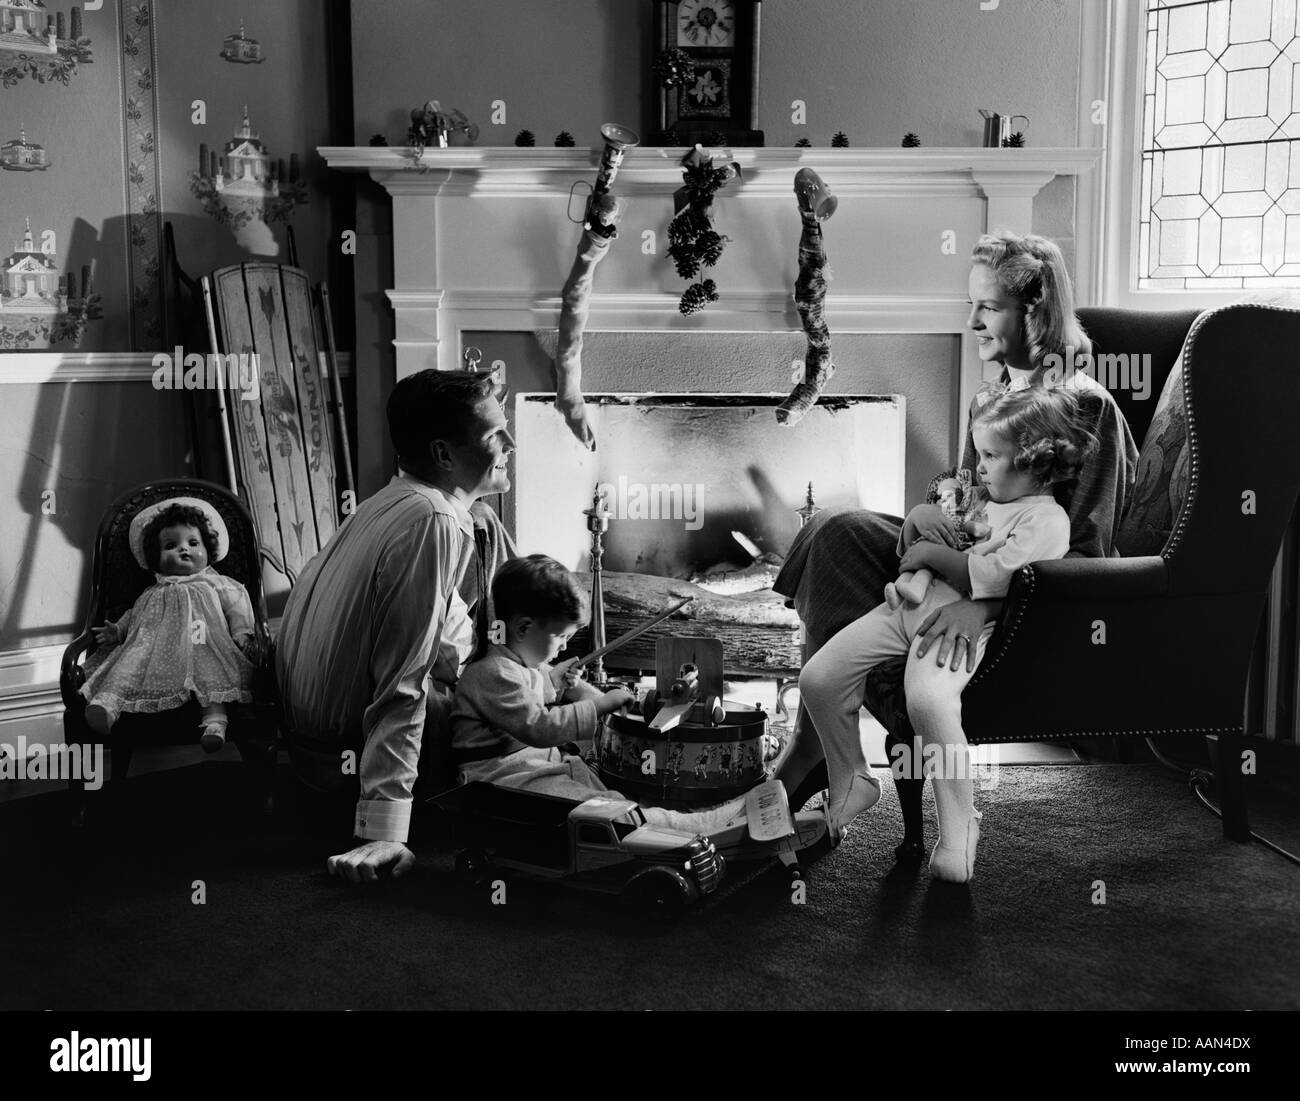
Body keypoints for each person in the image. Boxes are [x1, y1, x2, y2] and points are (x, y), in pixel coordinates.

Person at [773, 231, 1140, 811]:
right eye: (971, 303)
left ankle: (812, 754)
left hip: (1026, 598)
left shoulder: (1089, 407)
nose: (972, 321)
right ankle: (812, 743)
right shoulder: (990, 397)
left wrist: (982, 603)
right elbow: (969, 512)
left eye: (989, 306)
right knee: (832, 529)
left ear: (1035, 311)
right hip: (964, 566)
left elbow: (1086, 558)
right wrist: (928, 515)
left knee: (840, 540)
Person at [799, 387, 1099, 881]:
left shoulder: (1046, 520)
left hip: (955, 626)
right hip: (905, 608)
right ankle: (851, 776)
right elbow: (925, 533)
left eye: (991, 457)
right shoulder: (981, 498)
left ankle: (958, 829)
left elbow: (1006, 577)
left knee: (928, 702)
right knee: (819, 678)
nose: (979, 467)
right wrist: (918, 520)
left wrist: (938, 558)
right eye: (979, 454)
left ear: (1033, 464)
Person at [275, 370, 514, 884]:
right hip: (346, 748)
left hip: (304, 742)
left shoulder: (394, 500)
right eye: (496, 435)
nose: (511, 443)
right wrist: (384, 829)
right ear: (444, 455)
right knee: (531, 717)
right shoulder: (433, 520)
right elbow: (403, 677)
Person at [451, 554, 752, 834]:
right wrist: (599, 704)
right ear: (523, 628)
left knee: (606, 795)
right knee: (605, 813)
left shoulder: (516, 664)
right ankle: (694, 824)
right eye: (561, 636)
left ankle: (664, 817)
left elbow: (527, 692)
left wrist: (556, 682)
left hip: (530, 766)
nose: (565, 647)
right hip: (498, 782)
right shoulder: (492, 672)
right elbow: (539, 727)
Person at [81, 499, 257, 752]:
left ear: (208, 549)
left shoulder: (216, 583)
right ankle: (106, 706)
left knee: (211, 675)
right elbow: (135, 614)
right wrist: (117, 631)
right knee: (126, 668)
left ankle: (215, 724)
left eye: (193, 543)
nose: (183, 550)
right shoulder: (154, 590)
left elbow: (237, 604)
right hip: (151, 650)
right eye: (171, 546)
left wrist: (242, 634)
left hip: (203, 643)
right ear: (156, 558)